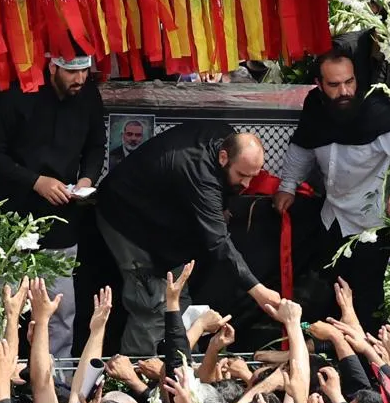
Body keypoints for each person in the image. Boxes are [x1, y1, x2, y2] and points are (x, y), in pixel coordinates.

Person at [275, 38, 390, 323]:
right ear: (319, 84)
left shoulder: (376, 111)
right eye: (334, 85)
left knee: (365, 303)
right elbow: (302, 147)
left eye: (349, 82)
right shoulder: (315, 107)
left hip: (369, 225)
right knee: (327, 296)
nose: (345, 91)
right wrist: (287, 185)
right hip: (331, 217)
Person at [95, 123, 282, 355]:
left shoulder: (225, 136)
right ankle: (135, 378)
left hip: (166, 225)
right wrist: (257, 290)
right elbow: (218, 242)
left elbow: (215, 198)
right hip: (127, 217)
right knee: (152, 304)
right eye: (242, 175)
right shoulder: (198, 170)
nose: (246, 184)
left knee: (176, 298)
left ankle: (175, 366)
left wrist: (219, 205)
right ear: (223, 157)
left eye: (252, 176)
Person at [0, 48, 106, 357]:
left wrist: (87, 180)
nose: (80, 79)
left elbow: (96, 146)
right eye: (72, 72)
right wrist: (36, 181)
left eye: (85, 71)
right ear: (52, 67)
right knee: (0, 308)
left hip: (61, 217)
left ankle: (56, 382)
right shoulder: (17, 94)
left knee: (59, 309)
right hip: (11, 218)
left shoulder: (88, 96)